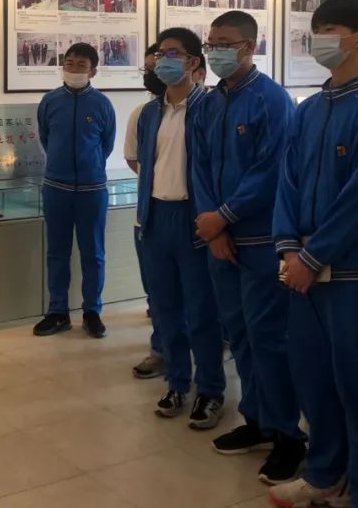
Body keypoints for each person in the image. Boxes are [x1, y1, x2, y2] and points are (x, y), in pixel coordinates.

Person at [269, 0, 358, 508]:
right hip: (301, 268)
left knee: (357, 382)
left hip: (353, 271)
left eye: (329, 29)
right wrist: (288, 249)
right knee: (313, 377)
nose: (317, 37)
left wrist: (311, 257)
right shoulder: (309, 109)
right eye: (316, 27)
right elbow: (288, 181)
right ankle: (324, 473)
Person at [191, 11, 305, 483]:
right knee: (238, 335)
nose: (216, 50)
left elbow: (271, 170)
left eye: (225, 43)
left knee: (268, 338)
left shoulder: (272, 100)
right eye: (211, 42)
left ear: (249, 47)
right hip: (220, 241)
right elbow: (198, 166)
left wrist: (225, 216)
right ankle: (257, 421)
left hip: (260, 240)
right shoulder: (209, 102)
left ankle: (289, 436)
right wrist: (213, 228)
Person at [136, 28, 227, 428]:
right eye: (160, 53)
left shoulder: (210, 108)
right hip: (156, 218)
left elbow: (216, 167)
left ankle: (210, 390)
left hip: (195, 219)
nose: (163, 60)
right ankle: (176, 382)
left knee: (201, 310)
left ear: (193, 62)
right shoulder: (150, 112)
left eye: (173, 53)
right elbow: (145, 166)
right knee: (165, 309)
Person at [34, 43, 116, 339]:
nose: (73, 69)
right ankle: (57, 312)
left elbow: (106, 145)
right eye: (69, 63)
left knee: (93, 252)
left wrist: (88, 166)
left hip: (92, 189)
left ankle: (92, 311)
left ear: (93, 71)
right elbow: (46, 138)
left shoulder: (102, 104)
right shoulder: (50, 101)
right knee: (57, 252)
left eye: (80, 65)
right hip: (56, 187)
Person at [125, 44, 167, 379]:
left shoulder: (204, 109)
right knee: (158, 290)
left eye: (159, 67)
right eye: (148, 70)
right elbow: (132, 157)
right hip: (149, 214)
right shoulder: (143, 113)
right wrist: (158, 180)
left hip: (192, 218)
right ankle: (162, 350)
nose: (153, 75)